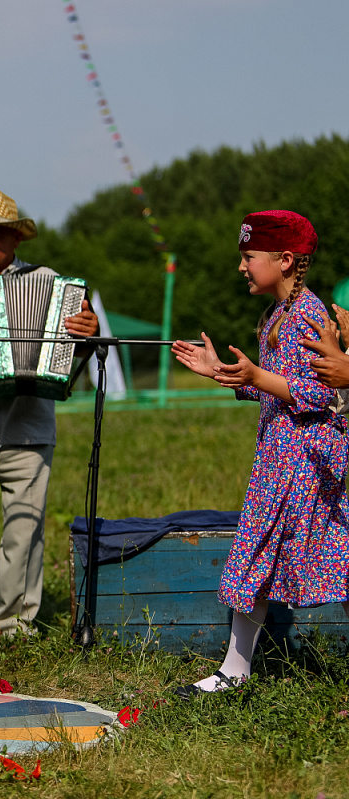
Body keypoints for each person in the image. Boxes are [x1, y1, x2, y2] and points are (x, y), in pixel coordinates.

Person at [171, 210, 349, 696]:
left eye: (249, 257)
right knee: (261, 554)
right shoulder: (277, 315)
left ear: (285, 259)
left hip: (304, 463)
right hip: (279, 459)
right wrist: (226, 373)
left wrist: (257, 376)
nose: (241, 267)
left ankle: (236, 669)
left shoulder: (308, 315)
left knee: (296, 554)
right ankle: (235, 668)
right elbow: (279, 389)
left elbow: (319, 393)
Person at [0, 190, 98, 637]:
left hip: (28, 424)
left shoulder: (50, 282)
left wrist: (89, 331)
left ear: (16, 239)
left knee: (25, 528)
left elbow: (76, 348)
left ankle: (14, 626)